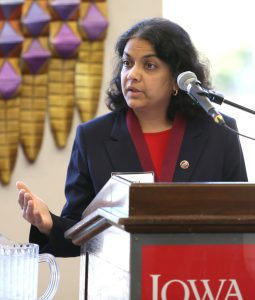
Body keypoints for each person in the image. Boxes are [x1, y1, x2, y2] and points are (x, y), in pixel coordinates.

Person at [17, 17, 248, 257]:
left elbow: (243, 220)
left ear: (176, 79)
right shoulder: (93, 137)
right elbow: (78, 233)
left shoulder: (219, 132)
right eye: (128, 63)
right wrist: (48, 223)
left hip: (204, 283)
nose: (132, 74)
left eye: (149, 66)